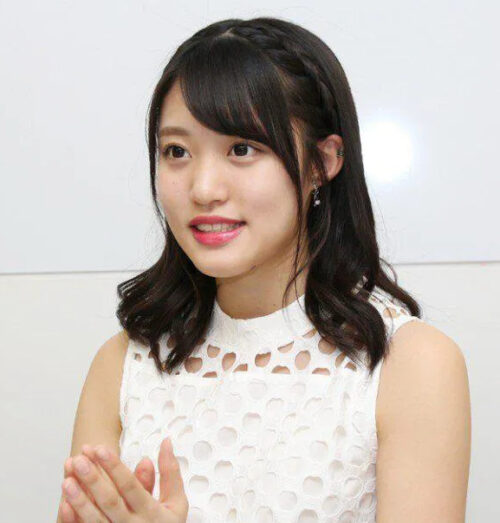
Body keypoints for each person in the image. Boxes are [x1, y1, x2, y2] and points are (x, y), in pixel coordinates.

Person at [57, 16, 471, 523]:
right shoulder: (124, 364)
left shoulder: (409, 364)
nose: (203, 189)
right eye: (177, 151)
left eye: (242, 149)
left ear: (322, 162)